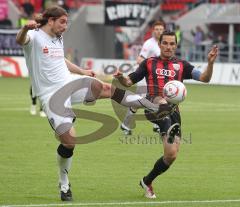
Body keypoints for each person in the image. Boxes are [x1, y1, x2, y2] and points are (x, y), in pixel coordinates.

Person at [16, 6, 173, 202]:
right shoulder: (34, 35)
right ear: (51, 20)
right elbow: (20, 40)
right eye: (62, 22)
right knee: (69, 141)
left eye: (67, 22)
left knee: (105, 88)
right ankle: (64, 182)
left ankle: (151, 105)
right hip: (51, 95)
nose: (65, 27)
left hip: (69, 82)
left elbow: (59, 59)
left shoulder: (57, 37)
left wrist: (81, 71)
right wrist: (24, 29)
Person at [114, 30, 218, 199]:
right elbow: (128, 81)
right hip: (153, 105)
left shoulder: (182, 65)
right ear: (160, 44)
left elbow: (205, 78)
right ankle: (158, 122)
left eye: (172, 44)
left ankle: (147, 181)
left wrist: (210, 63)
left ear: (175, 46)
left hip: (173, 113)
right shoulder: (148, 63)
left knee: (171, 155)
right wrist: (120, 78)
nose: (168, 47)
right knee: (160, 102)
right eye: (165, 43)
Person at [120, 20, 165, 135]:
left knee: (159, 99)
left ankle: (157, 125)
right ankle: (125, 124)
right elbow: (139, 59)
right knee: (139, 102)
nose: (159, 31)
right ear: (153, 31)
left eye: (161, 29)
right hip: (145, 77)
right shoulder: (149, 43)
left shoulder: (164, 43)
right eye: (157, 29)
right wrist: (152, 64)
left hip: (157, 77)